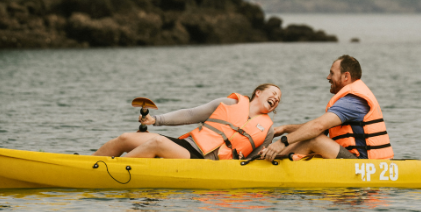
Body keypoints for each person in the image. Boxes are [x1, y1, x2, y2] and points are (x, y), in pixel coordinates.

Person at [93, 84, 281, 160]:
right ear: (258, 92)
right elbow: (191, 114)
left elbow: (252, 161)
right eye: (273, 93)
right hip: (186, 146)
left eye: (278, 99)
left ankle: (108, 173)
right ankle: (89, 163)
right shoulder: (228, 103)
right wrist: (155, 120)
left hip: (206, 162)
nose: (275, 98)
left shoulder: (268, 131)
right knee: (126, 138)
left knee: (157, 143)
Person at [261, 55, 393, 161]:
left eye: (332, 73)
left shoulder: (352, 100)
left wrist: (281, 143)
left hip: (363, 164)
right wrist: (285, 129)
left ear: (346, 76)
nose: (328, 77)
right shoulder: (350, 98)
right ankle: (270, 156)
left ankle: (269, 162)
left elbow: (317, 127)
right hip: (361, 161)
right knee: (312, 136)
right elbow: (318, 128)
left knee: (314, 139)